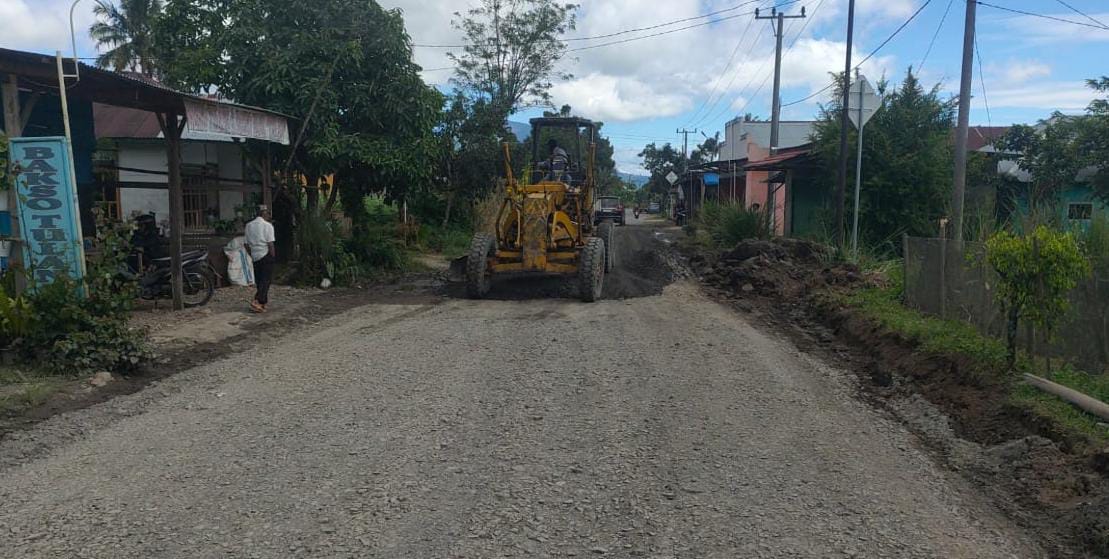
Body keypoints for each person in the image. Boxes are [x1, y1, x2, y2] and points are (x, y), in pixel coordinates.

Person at [244, 206, 276, 313]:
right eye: (268, 214)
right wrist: (273, 256)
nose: (269, 216)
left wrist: (251, 254)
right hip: (265, 254)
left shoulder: (248, 226)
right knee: (266, 280)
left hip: (255, 255)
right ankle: (257, 300)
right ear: (263, 214)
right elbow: (270, 243)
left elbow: (246, 244)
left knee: (259, 280)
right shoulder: (267, 226)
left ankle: (263, 303)